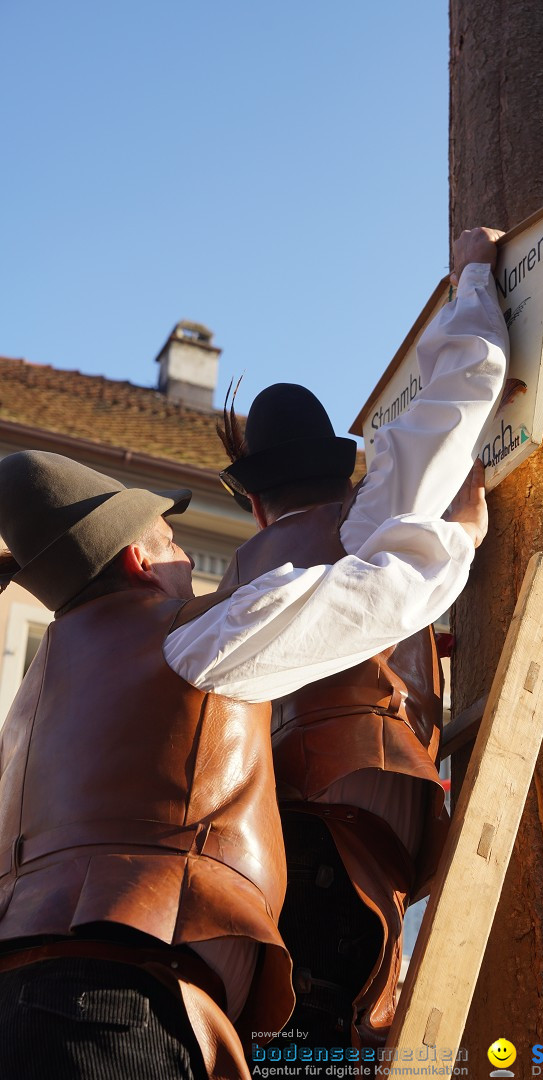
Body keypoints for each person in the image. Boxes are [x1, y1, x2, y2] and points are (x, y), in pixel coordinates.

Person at [0, 412, 490, 1080]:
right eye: (171, 542)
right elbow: (374, 598)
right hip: (109, 1015)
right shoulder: (190, 637)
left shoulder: (34, 698)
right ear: (139, 560)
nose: (195, 569)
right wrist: (455, 538)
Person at [216, 226, 508, 1059]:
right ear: (335, 469)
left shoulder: (236, 584)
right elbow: (457, 393)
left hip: (264, 857)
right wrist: (479, 277)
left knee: (288, 1057)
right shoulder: (375, 518)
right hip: (347, 853)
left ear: (259, 500)